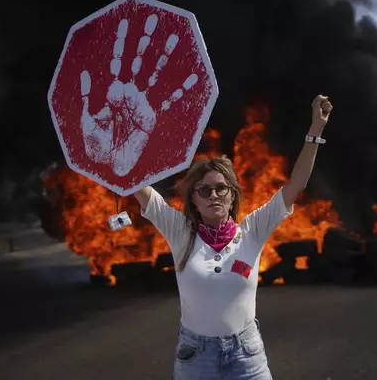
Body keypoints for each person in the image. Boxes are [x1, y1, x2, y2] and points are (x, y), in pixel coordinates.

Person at [133, 95, 333, 379]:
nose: (213, 195)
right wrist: (123, 146)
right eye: (204, 190)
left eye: (220, 189)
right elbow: (139, 186)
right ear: (194, 200)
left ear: (232, 196)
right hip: (195, 357)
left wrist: (316, 130)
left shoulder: (252, 230)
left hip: (246, 355)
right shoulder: (179, 232)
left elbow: (296, 184)